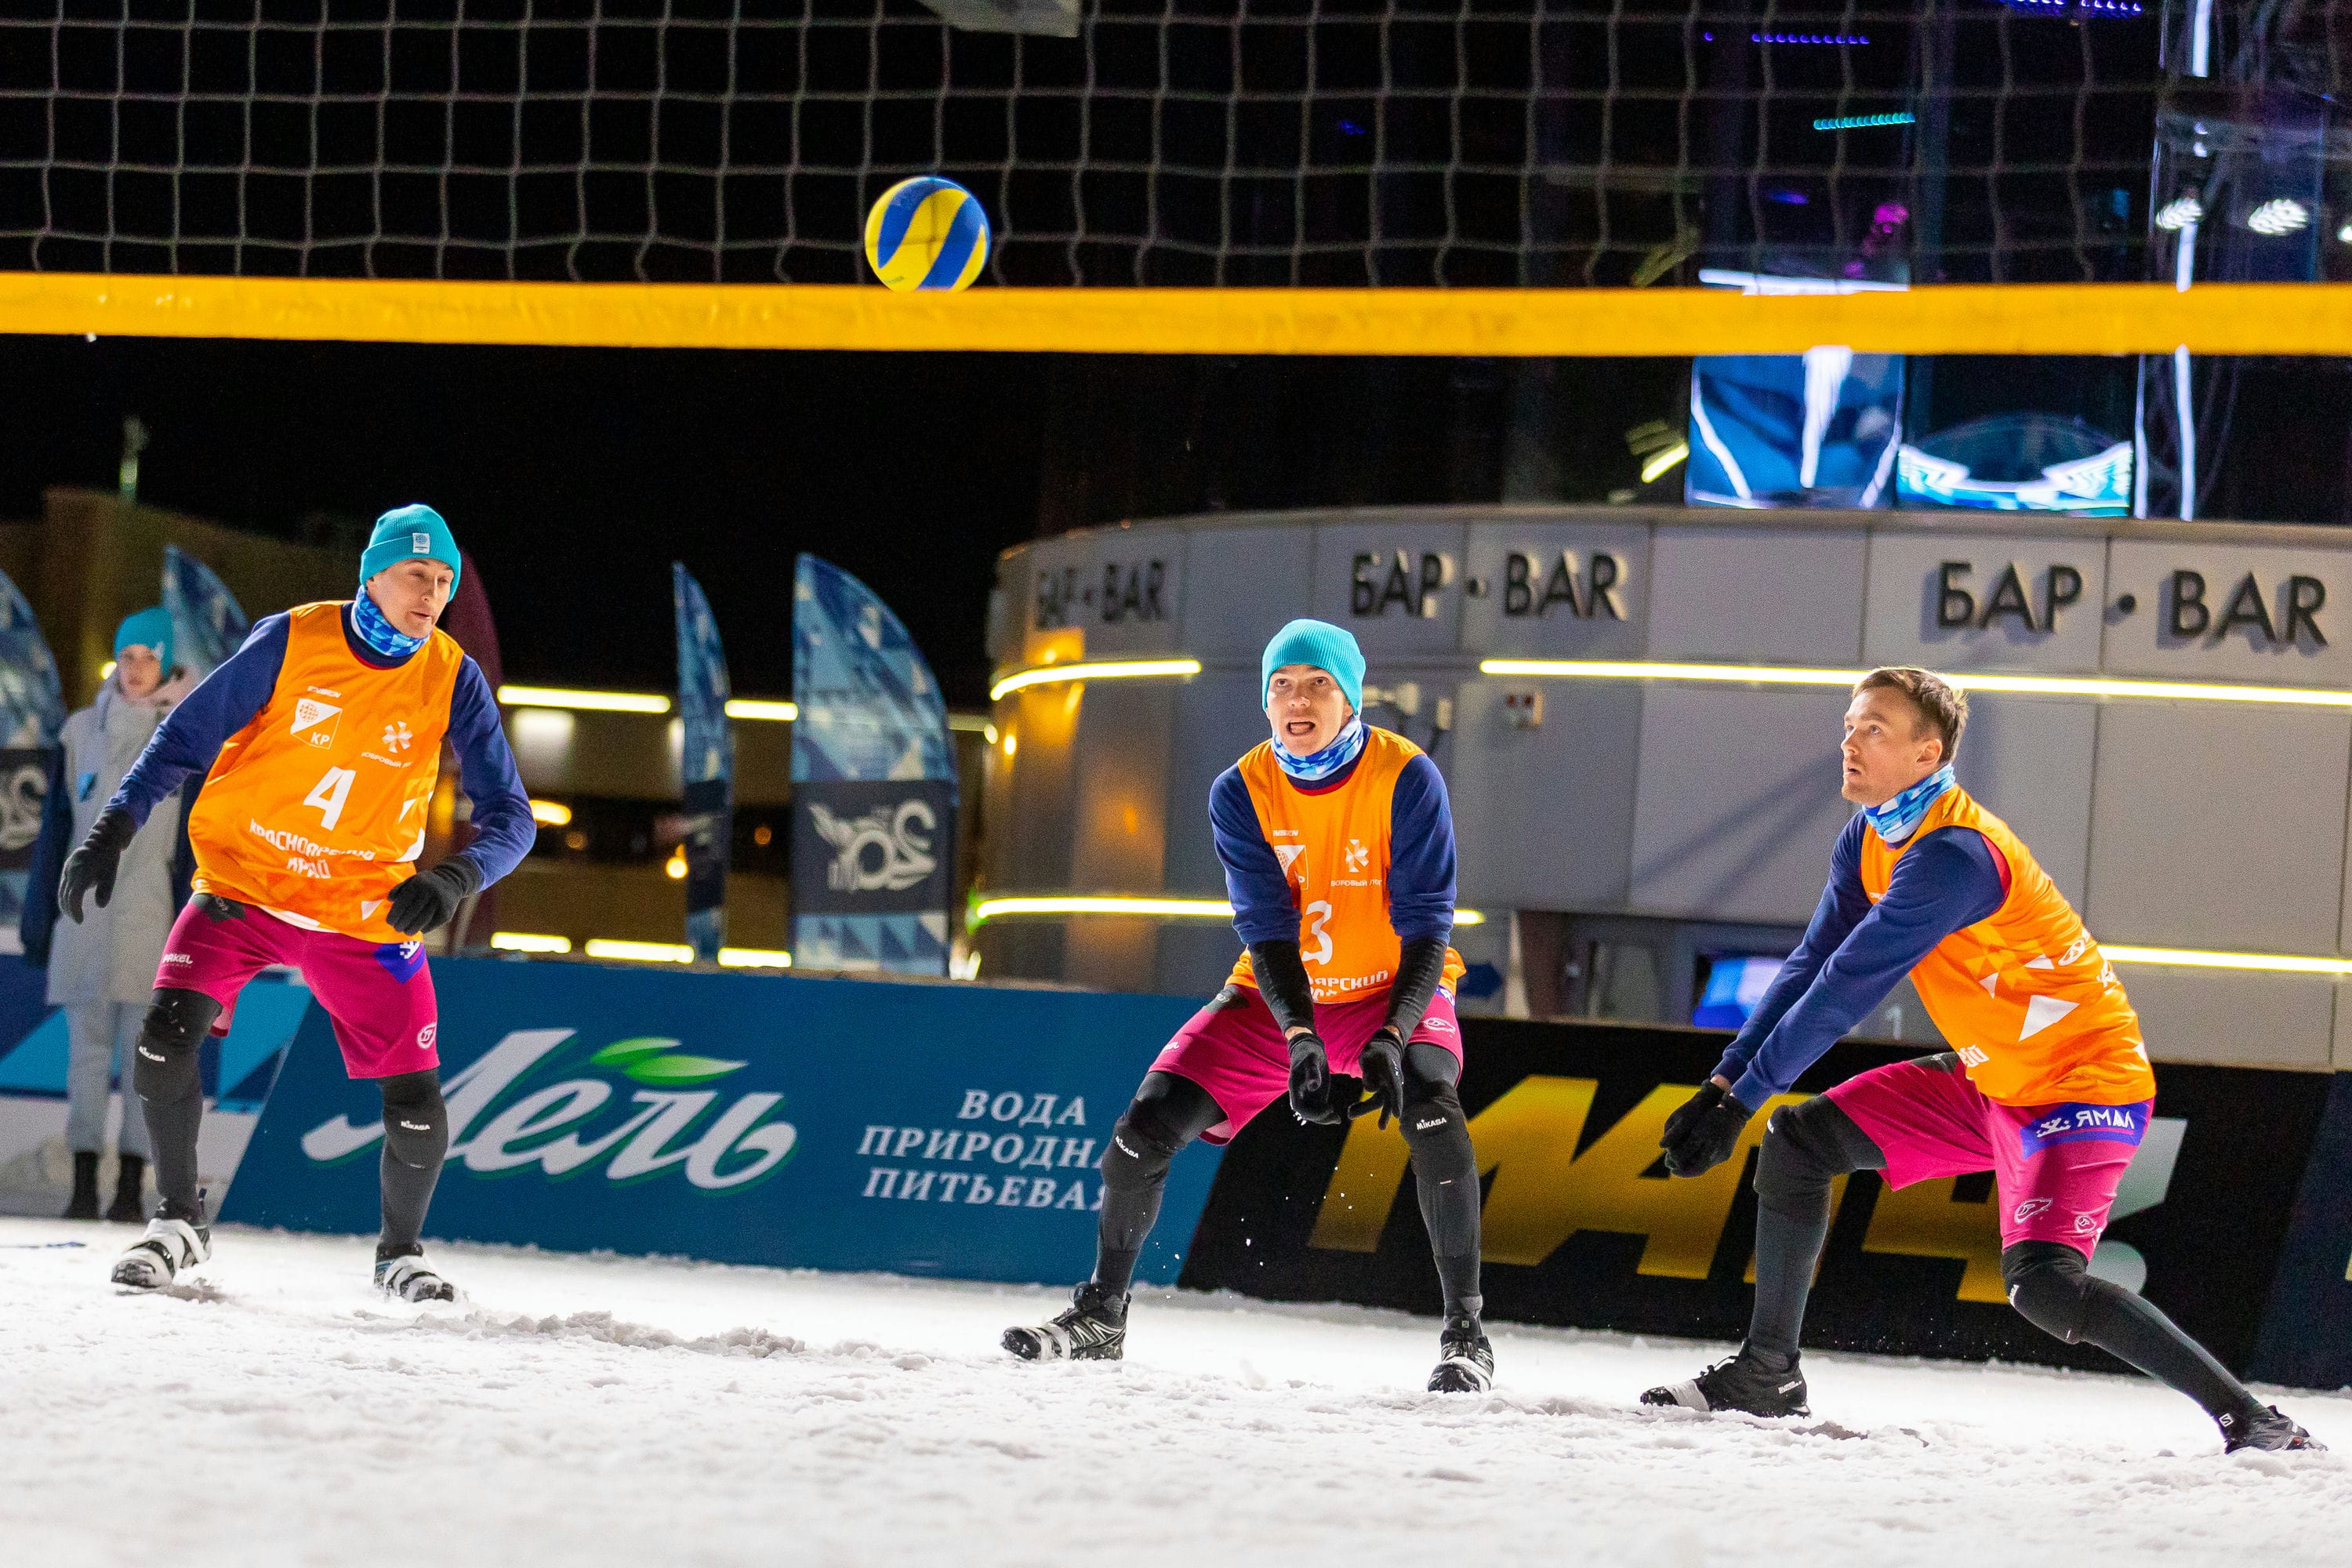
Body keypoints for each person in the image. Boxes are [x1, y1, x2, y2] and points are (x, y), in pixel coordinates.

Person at [1639, 666, 2320, 1454]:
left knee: (2043, 1286)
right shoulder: (1868, 836)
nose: (1849, 742)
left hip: (2082, 1084)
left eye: (1873, 730)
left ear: (1927, 754)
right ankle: (1768, 1375)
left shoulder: (1955, 856)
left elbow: (1844, 989)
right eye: (1850, 725)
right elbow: (1807, 965)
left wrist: (1739, 1099)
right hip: (1992, 1075)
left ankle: (2254, 1419)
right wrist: (1725, 1084)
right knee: (1798, 1141)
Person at [56, 505, 534, 1302]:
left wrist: (456, 877)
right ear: (373, 575)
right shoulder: (293, 638)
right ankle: (177, 1223)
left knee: (416, 1100)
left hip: (361, 909)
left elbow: (513, 818)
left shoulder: (452, 675)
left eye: (445, 580)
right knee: (163, 1039)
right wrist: (114, 826)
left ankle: (400, 1256)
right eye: (417, 574)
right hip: (245, 888)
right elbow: (183, 738)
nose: (432, 594)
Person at [1004, 619, 1492, 1391]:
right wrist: (1300, 1036)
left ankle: (1467, 1336)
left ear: (1350, 697)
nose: (1298, 700)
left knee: (1434, 1107)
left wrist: (1394, 1035)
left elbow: (1429, 930)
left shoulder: (1407, 775)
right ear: (1265, 702)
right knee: (1139, 1134)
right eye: (1282, 685)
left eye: (1318, 684)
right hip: (1279, 995)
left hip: (1389, 987)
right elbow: (1267, 934)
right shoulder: (1239, 790)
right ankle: (1101, 1316)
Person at [22, 608, 196, 1222]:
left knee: (148, 1064)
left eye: (149, 657)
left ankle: (128, 1188)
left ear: (167, 664)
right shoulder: (79, 733)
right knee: (86, 1062)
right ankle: (82, 1185)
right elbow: (55, 834)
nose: (136, 669)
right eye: (127, 657)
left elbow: (194, 848)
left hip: (154, 925)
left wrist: (199, 936)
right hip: (84, 924)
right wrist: (40, 921)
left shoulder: (189, 734)